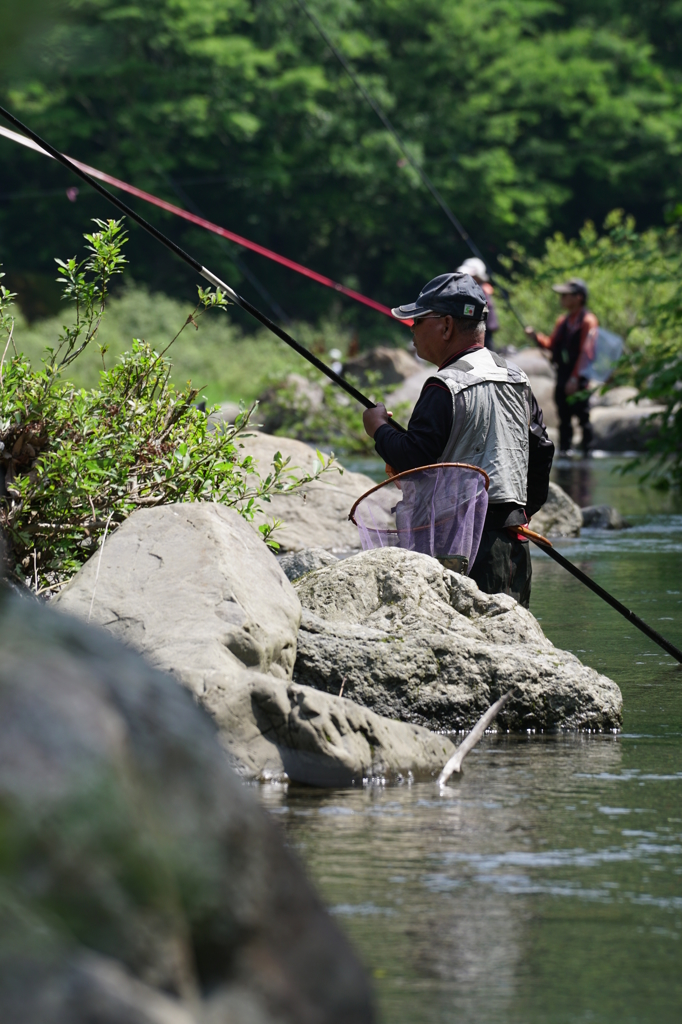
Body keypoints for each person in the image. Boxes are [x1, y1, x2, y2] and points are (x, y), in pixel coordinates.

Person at [362, 272, 554, 607]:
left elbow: (412, 459)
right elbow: (542, 449)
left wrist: (378, 428)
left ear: (447, 325)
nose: (413, 330)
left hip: (460, 547)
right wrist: (521, 514)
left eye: (419, 320)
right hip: (513, 542)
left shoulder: (444, 385)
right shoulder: (517, 378)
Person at [524, 277, 598, 456]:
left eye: (566, 295)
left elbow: (586, 354)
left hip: (579, 378)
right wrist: (536, 337)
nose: (562, 298)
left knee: (583, 417)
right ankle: (566, 452)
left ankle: (588, 452)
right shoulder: (562, 321)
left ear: (579, 297)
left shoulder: (588, 321)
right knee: (563, 418)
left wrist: (574, 379)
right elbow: (551, 344)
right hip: (563, 374)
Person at [456, 257, 499, 350]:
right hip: (482, 330)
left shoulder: (477, 291)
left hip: (481, 331)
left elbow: (470, 311)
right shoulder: (481, 288)